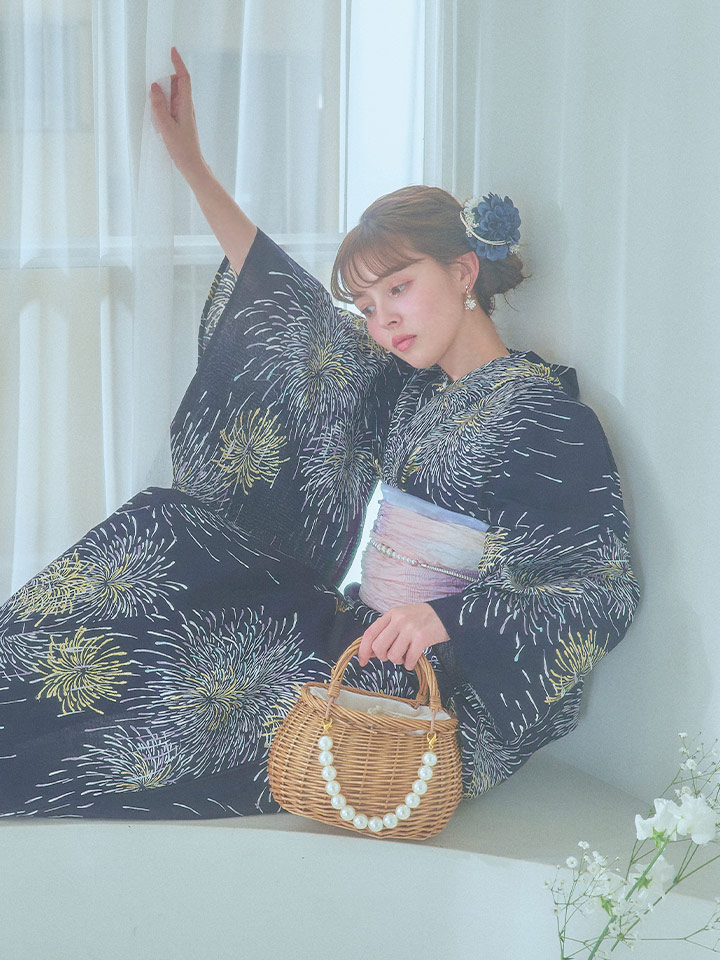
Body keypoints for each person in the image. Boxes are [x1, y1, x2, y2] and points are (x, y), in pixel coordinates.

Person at [0, 49, 638, 820]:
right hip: (360, 635)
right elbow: (295, 316)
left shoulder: (546, 417)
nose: (384, 320)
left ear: (465, 272)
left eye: (399, 288)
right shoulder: (412, 389)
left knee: (188, 687)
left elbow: (600, 592)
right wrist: (194, 168)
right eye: (368, 307)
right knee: (166, 536)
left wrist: (445, 621)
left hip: (427, 685)